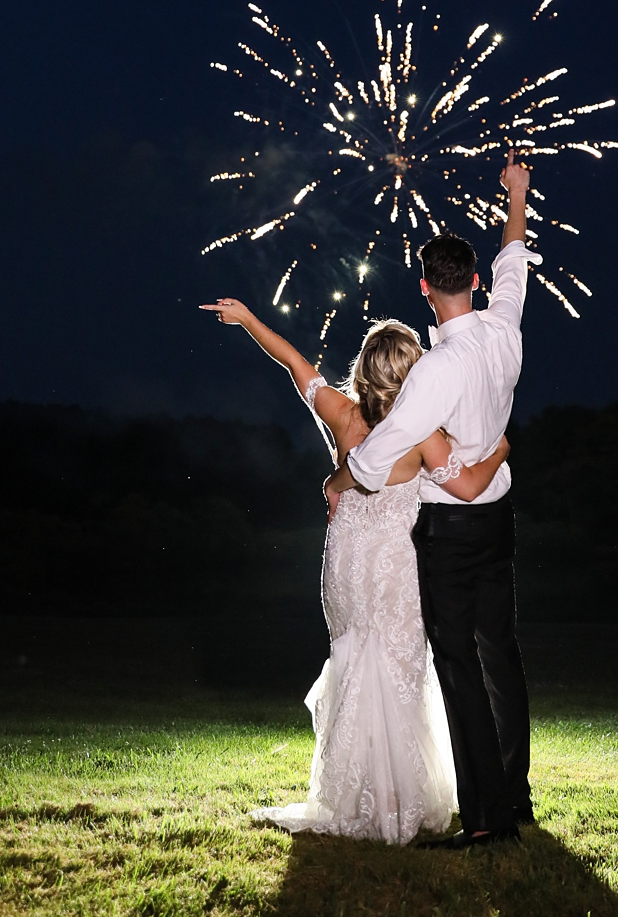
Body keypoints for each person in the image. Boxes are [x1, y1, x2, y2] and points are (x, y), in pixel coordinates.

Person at [197, 298, 511, 844]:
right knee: (396, 666)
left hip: (345, 557)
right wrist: (500, 447)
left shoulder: (343, 416)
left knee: (356, 657)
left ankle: (353, 794)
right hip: (396, 560)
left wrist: (248, 320)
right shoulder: (425, 433)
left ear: (364, 369)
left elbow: (295, 364)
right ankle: (395, 798)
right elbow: (469, 484)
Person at [324, 150, 539, 848]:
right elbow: (515, 258)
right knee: (501, 657)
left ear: (425, 289)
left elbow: (379, 457)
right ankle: (516, 793)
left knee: (460, 670)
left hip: (449, 529)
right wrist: (516, 192)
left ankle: (485, 820)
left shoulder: (433, 371)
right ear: (472, 282)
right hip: (499, 518)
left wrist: (344, 475)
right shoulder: (505, 329)